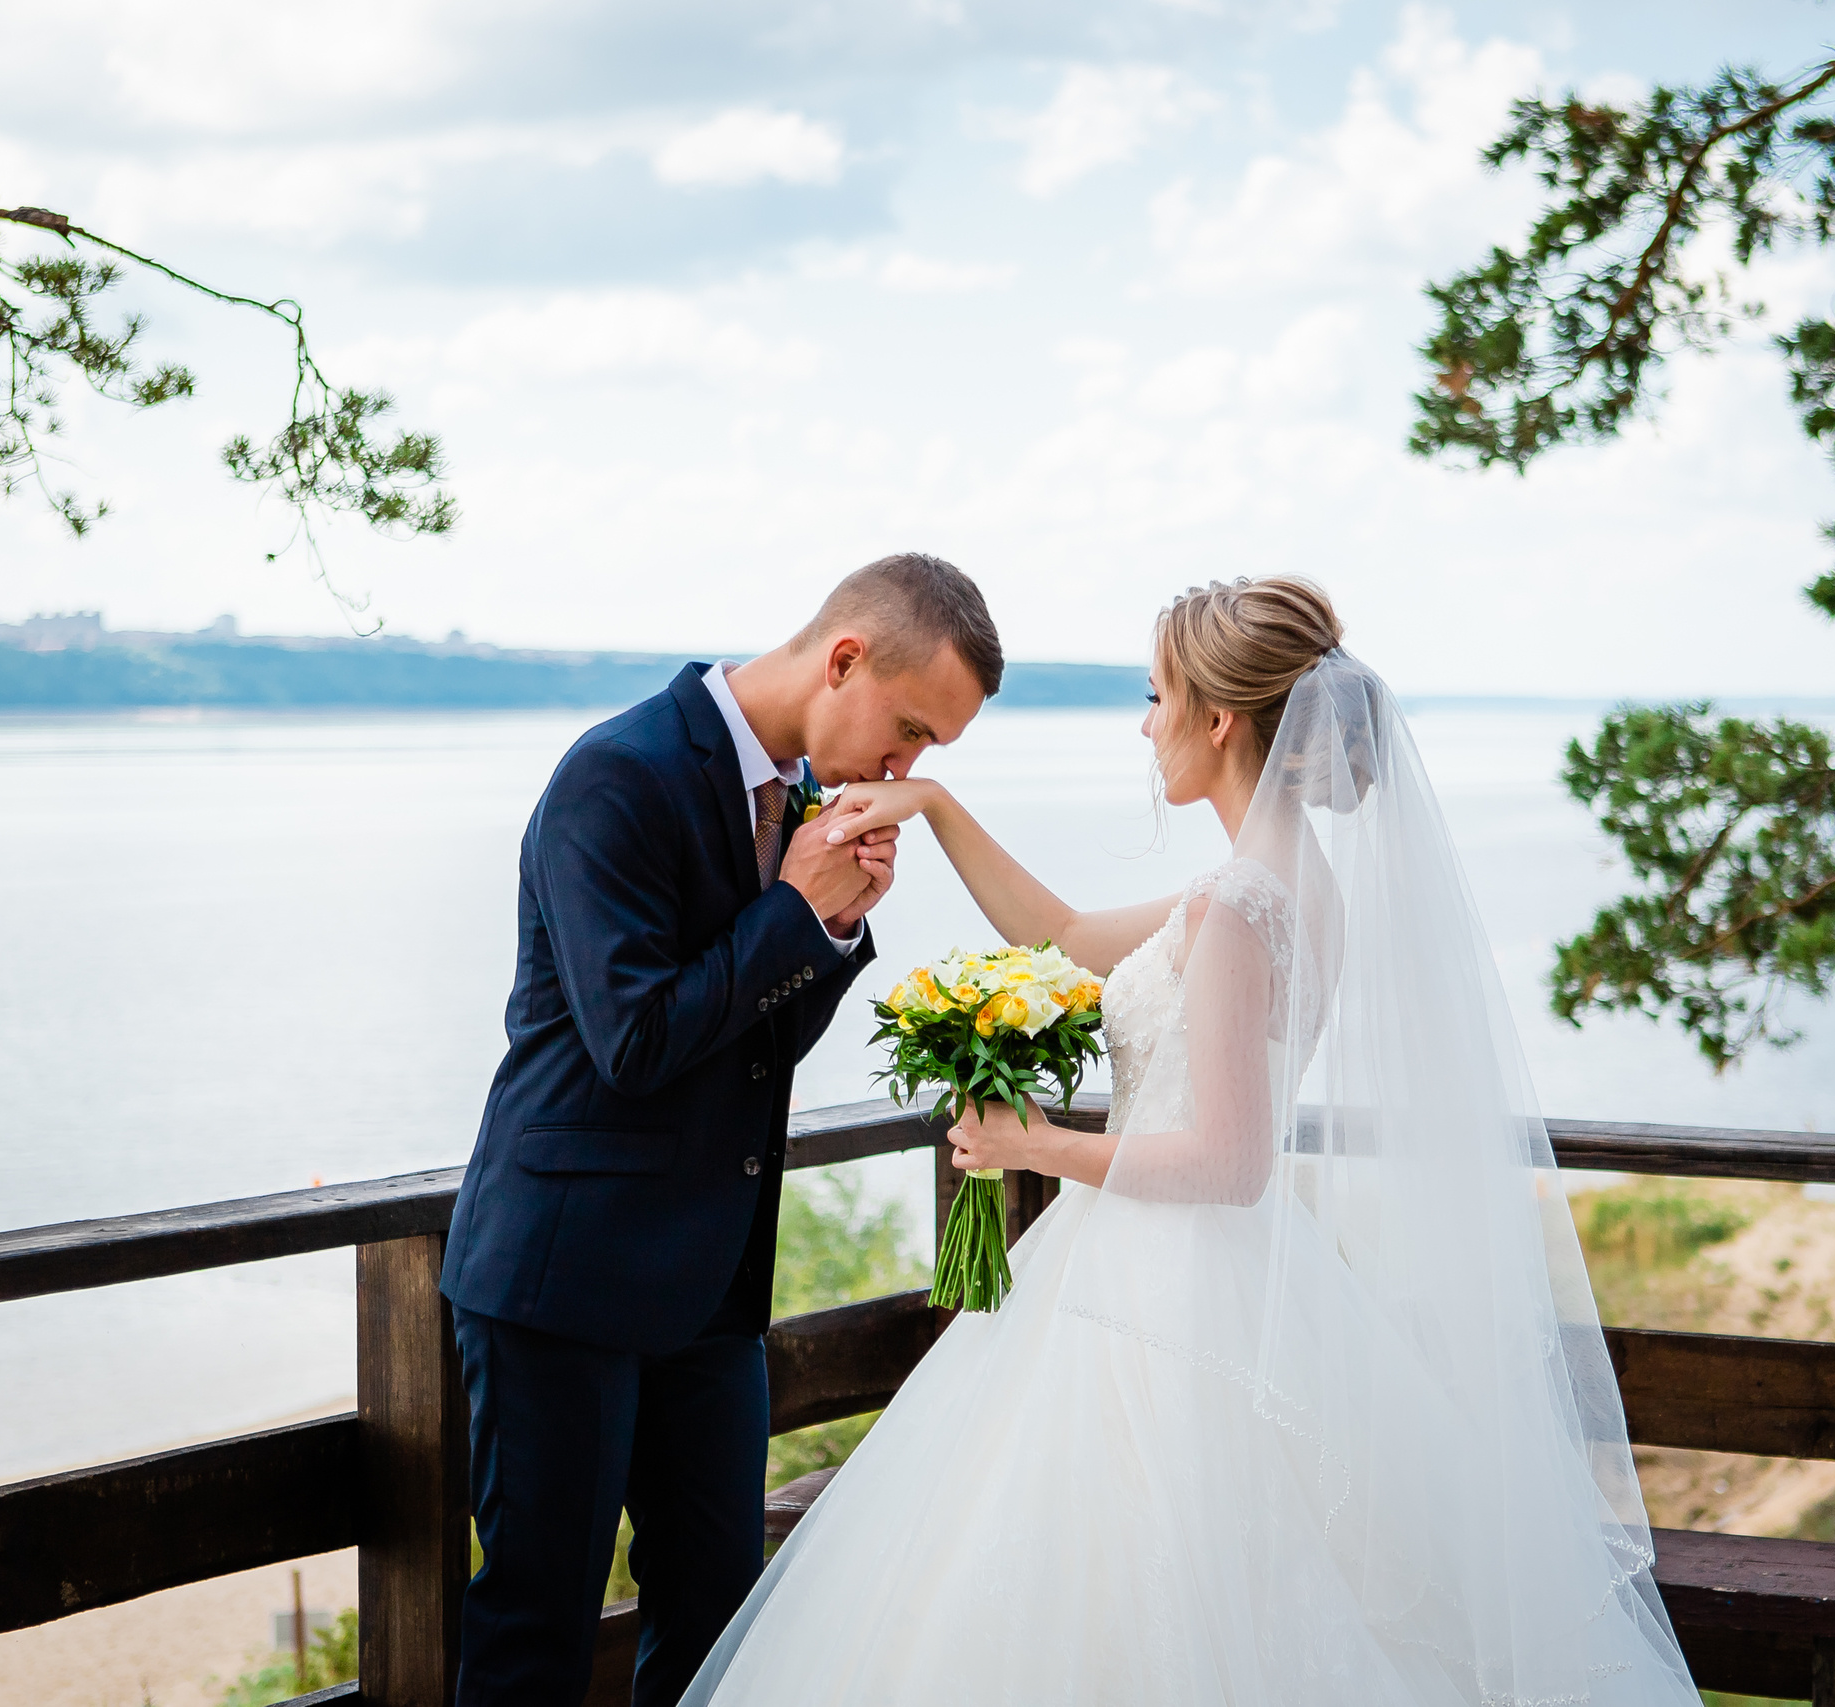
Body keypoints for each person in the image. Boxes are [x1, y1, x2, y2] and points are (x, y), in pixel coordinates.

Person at [678, 576, 1700, 1705]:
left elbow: (1226, 1158)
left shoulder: (1236, 905)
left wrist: (1037, 1147)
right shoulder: (1276, 889)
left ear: (1218, 719)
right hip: (1225, 1278)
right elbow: (1062, 933)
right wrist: (935, 806)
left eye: (1157, 696)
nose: (1146, 724)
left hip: (1162, 1296)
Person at [440, 553, 1002, 1707]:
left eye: (928, 751)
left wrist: (831, 931)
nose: (902, 771)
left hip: (710, 1292)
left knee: (720, 1626)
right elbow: (635, 1041)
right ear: (843, 659)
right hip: (562, 1280)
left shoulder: (794, 800)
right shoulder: (618, 773)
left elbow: (755, 1049)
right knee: (536, 1631)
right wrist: (795, 909)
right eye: (907, 731)